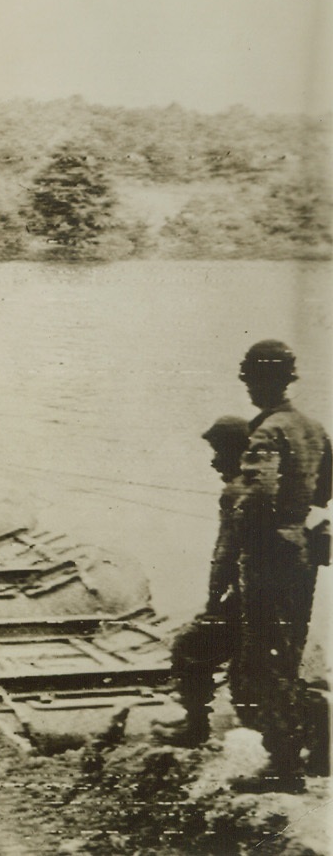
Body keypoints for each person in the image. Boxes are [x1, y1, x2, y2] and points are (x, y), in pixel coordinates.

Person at [231, 339, 331, 793]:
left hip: (269, 555)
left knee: (264, 654)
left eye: (252, 380)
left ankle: (284, 765)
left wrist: (238, 537)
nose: (250, 390)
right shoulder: (312, 427)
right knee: (289, 650)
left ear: (264, 381)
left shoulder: (267, 432)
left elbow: (257, 498)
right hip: (302, 551)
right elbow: (326, 490)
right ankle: (315, 748)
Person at [153, 416, 252, 747]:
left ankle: (195, 728)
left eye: (218, 452)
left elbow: (223, 556)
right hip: (276, 597)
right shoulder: (270, 486)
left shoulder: (234, 492)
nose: (213, 461)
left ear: (237, 452)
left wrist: (212, 607)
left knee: (188, 647)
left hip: (246, 599)